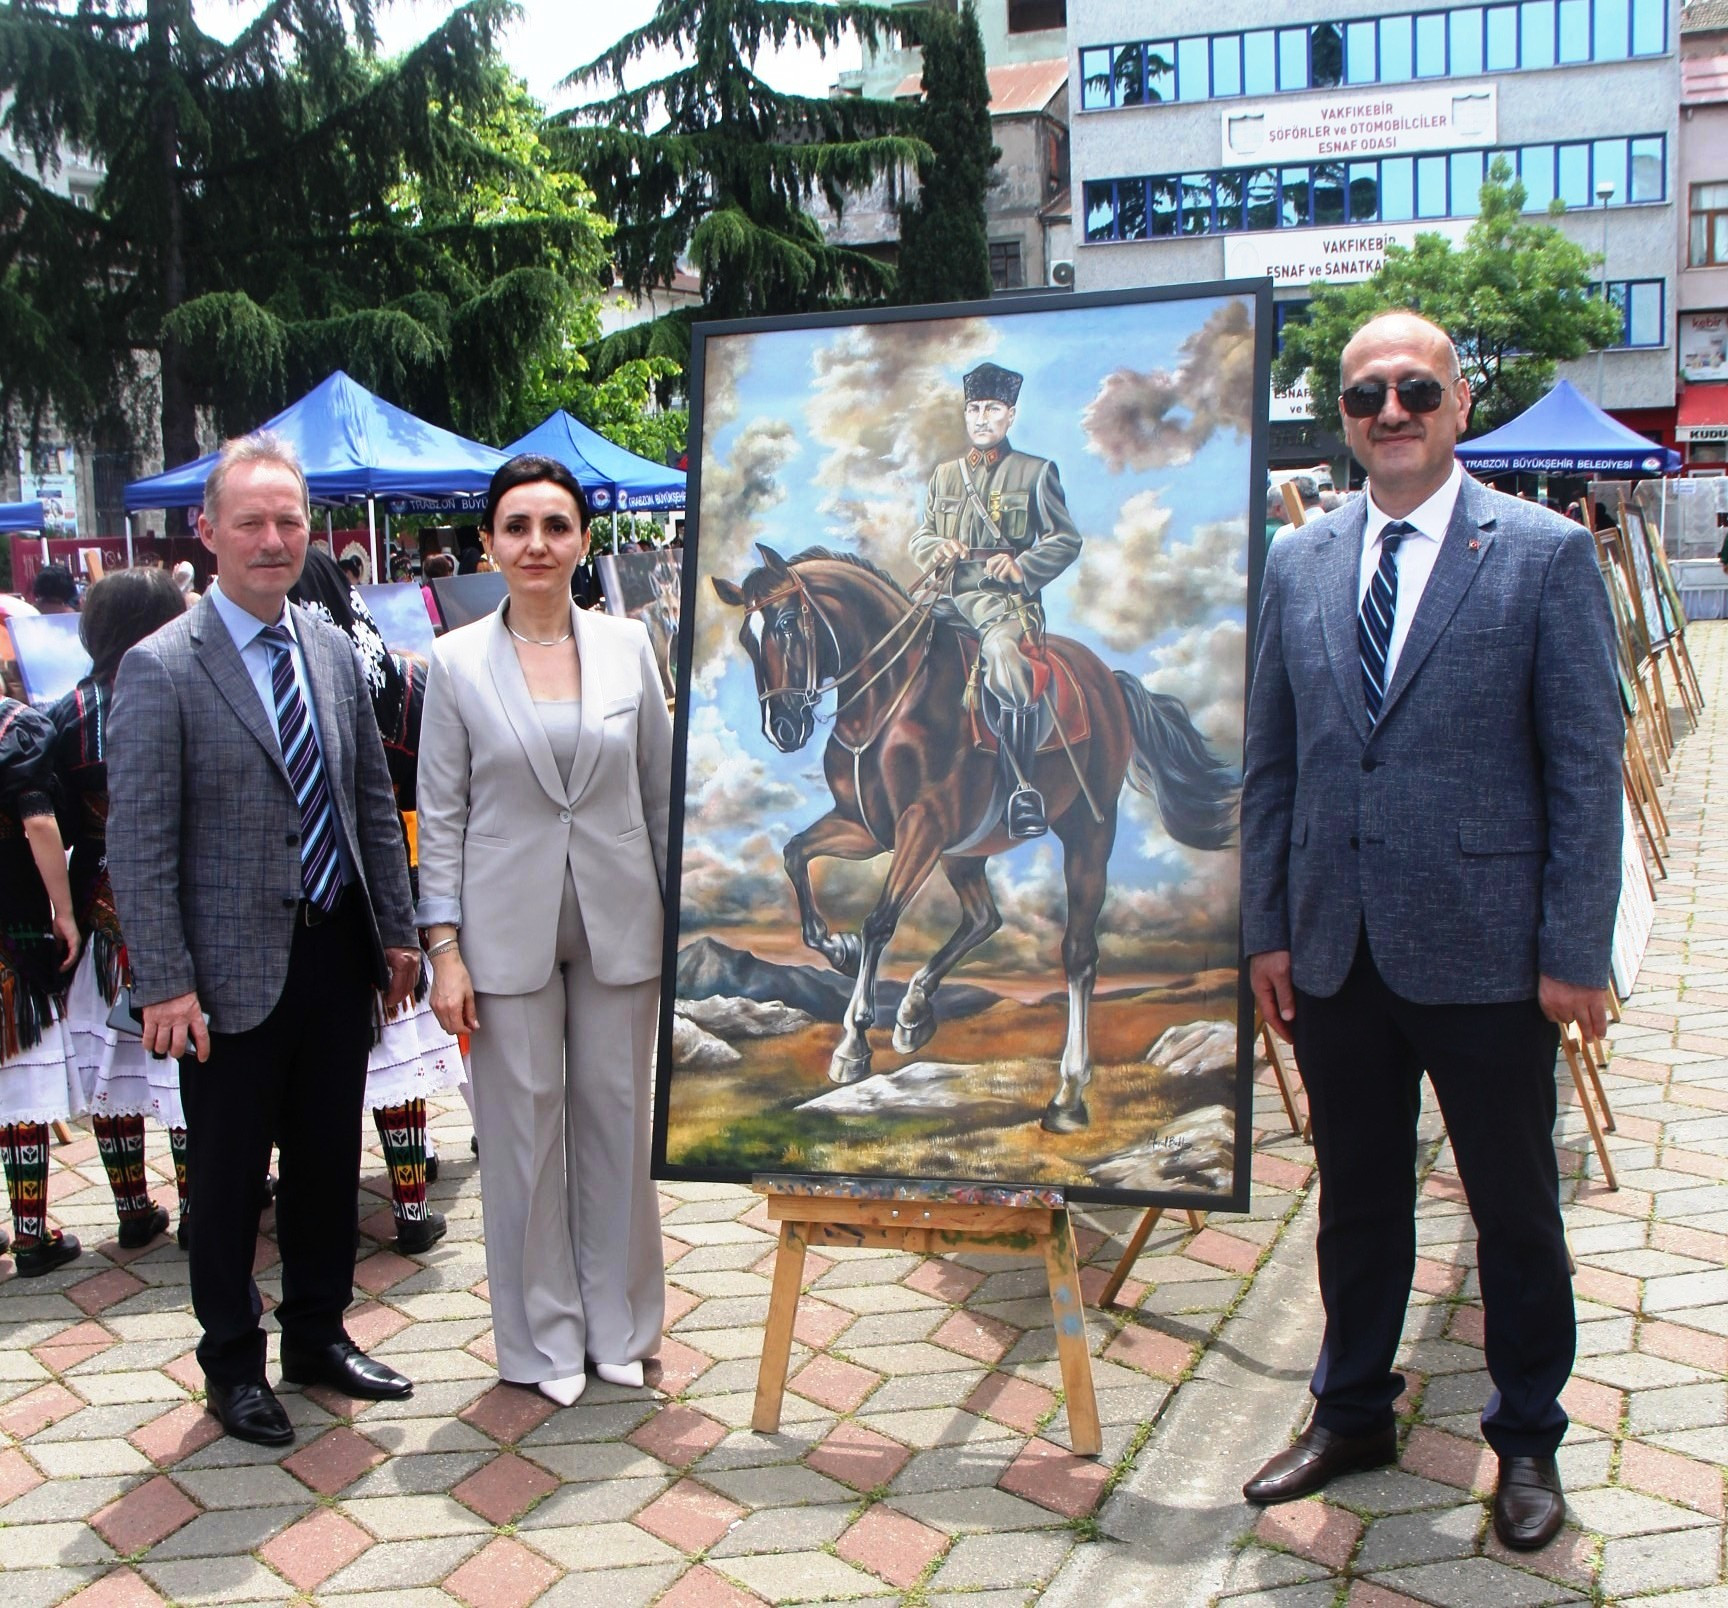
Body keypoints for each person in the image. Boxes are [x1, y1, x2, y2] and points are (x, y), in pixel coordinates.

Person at [1238, 311, 1623, 1552]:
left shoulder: (1545, 557)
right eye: (1364, 397)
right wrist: (1267, 930)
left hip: (1491, 952)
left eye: (1414, 389)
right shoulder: (1299, 564)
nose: (1389, 412)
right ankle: (1352, 1410)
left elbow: (1584, 767)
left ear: (1458, 404)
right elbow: (1273, 767)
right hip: (1336, 948)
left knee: (1512, 1206)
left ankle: (1525, 1440)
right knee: (1354, 1200)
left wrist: (1574, 951)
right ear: (1343, 419)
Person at [107, 432, 421, 1447]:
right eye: (252, 521)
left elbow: (371, 798)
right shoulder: (161, 669)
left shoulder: (328, 647)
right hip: (223, 979)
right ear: (207, 533)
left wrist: (401, 936)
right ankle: (231, 1366)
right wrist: (163, 982)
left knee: (330, 1162)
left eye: (289, 520)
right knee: (232, 1183)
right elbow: (140, 841)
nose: (274, 539)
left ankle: (319, 1334)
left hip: (336, 955)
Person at [417, 453, 671, 1408]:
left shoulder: (628, 650)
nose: (536, 544)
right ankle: (540, 1340)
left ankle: (622, 1326)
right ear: (488, 542)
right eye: (516, 526)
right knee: (524, 1138)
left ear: (582, 541)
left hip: (620, 928)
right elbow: (438, 815)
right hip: (502, 935)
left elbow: (657, 792)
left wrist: (677, 922)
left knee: (615, 1125)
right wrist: (443, 948)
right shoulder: (452, 664)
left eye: (555, 526)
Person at [290, 545, 460, 1255]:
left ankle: (315, 1207)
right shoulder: (404, 676)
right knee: (398, 1049)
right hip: (405, 873)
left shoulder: (303, 674)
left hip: (323, 889)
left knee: (325, 1064)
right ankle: (412, 1205)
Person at [53, 569, 190, 1252]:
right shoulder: (183, 689)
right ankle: (201, 1203)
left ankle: (133, 1205)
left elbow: (51, 819)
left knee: (116, 1068)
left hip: (97, 903)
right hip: (177, 900)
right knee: (184, 1060)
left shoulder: (66, 716)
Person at [908, 360, 1082, 839]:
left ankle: (1020, 789)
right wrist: (935, 547)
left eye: (993, 408)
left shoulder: (1036, 472)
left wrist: (1022, 567)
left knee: (1005, 663)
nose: (982, 418)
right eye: (974, 409)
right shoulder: (944, 476)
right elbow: (921, 535)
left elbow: (1065, 539)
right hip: (946, 597)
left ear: (1011, 415)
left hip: (1004, 606)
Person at [0, 697, 82, 1274]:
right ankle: (30, 1238)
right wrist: (65, 909)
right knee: (21, 1090)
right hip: (12, 928)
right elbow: (37, 820)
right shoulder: (13, 727)